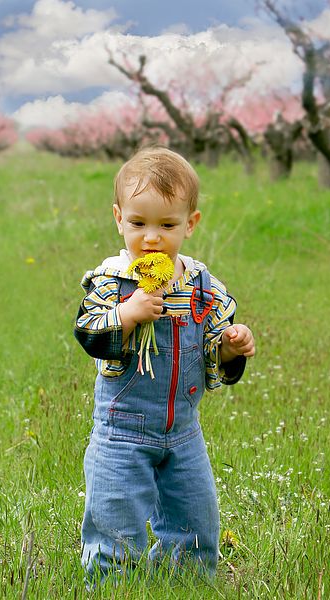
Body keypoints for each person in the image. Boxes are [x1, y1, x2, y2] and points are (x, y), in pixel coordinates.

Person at [74, 146, 255, 584]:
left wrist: (231, 347)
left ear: (189, 225)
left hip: (184, 431)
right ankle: (111, 586)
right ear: (119, 218)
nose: (151, 238)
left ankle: (186, 584)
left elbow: (212, 344)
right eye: (138, 224)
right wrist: (127, 313)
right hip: (121, 429)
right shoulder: (112, 280)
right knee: (116, 521)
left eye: (167, 225)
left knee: (196, 522)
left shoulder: (201, 286)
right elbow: (88, 332)